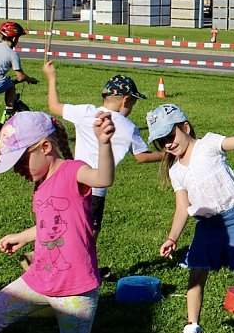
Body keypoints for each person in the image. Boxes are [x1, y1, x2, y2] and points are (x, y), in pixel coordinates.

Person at [0, 110, 116, 333]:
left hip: (75, 289)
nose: (17, 170)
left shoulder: (73, 171)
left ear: (45, 147)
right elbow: (52, 224)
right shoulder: (41, 183)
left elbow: (103, 178)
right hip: (37, 279)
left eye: (20, 161)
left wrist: (104, 144)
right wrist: (23, 237)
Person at [148, 103, 234, 333]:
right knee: (196, 274)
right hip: (206, 225)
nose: (167, 143)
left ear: (185, 127)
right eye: (161, 141)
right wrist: (172, 238)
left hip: (232, 217)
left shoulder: (208, 144)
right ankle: (192, 327)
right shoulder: (177, 171)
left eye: (170, 135)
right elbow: (181, 208)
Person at [44, 63, 164, 244]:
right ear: (125, 100)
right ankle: (84, 267)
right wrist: (166, 154)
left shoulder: (85, 112)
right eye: (133, 102)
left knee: (67, 223)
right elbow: (142, 157)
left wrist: (51, 77)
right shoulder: (128, 127)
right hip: (96, 188)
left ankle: (44, 256)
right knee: (90, 231)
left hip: (73, 180)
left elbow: (54, 106)